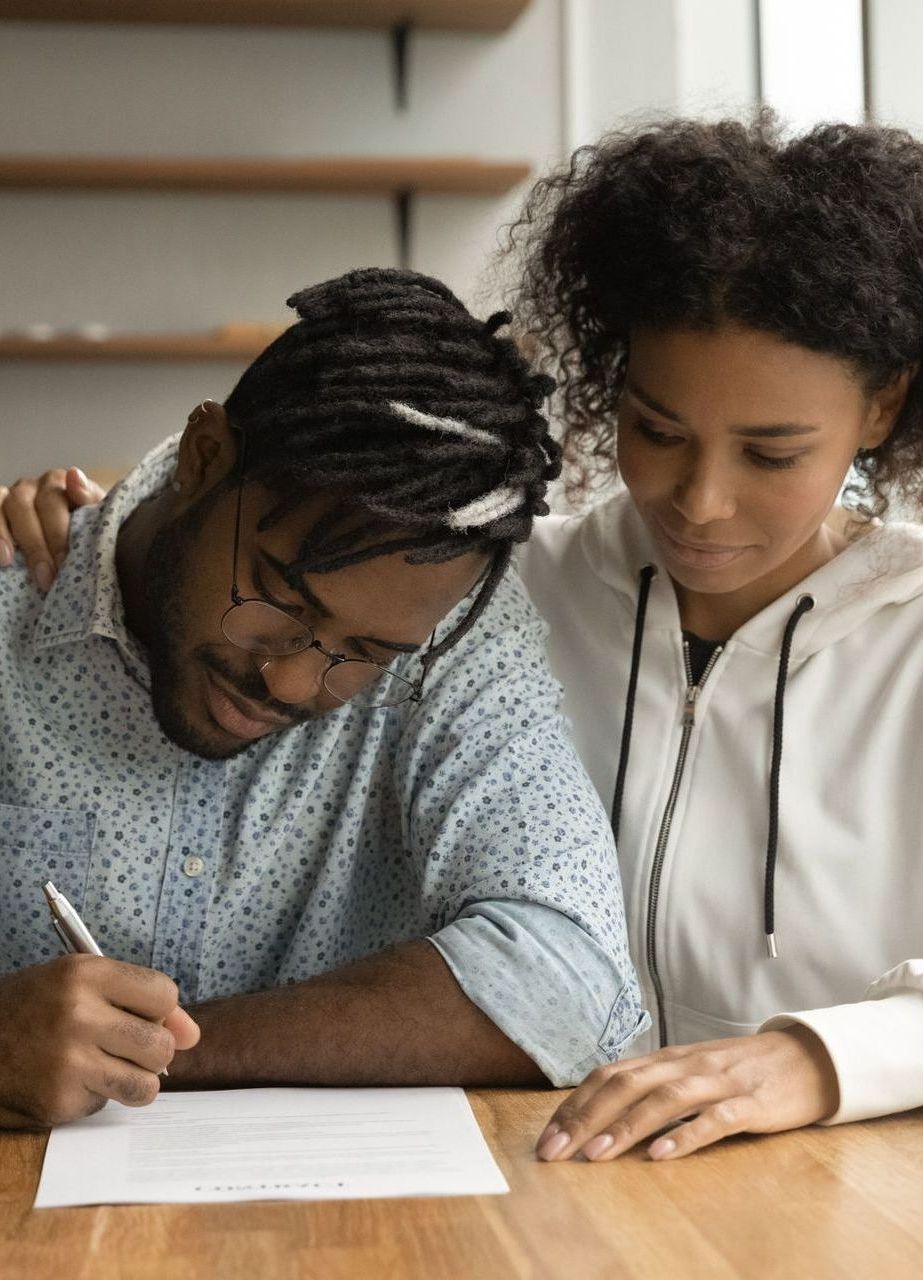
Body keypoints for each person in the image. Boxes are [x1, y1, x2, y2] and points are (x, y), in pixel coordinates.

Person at [0, 267, 645, 1130]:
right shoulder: (11, 603)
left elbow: (567, 985)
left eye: (368, 655)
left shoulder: (457, 632)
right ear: (204, 460)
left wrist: (159, 1056)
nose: (294, 682)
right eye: (277, 601)